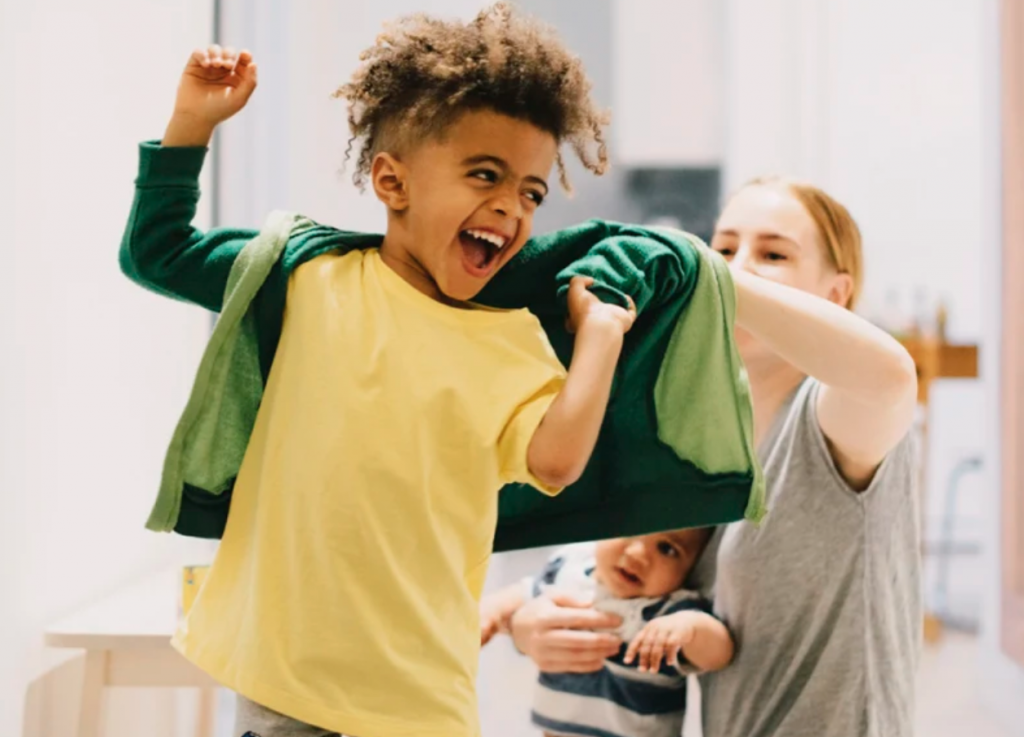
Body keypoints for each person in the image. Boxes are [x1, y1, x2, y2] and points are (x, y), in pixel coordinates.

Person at [120, 6, 635, 736]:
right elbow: (157, 251)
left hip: (418, 703)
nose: (510, 207)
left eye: (530, 192)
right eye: (484, 174)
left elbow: (555, 460)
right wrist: (191, 122)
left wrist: (603, 336)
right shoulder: (305, 277)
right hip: (285, 681)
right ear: (392, 182)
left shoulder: (511, 341)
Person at [508, 177, 921, 737]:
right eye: (724, 247)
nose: (738, 264)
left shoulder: (829, 416)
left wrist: (710, 274)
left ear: (834, 295)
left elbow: (891, 379)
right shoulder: (705, 429)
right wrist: (532, 624)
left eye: (772, 253)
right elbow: (630, 583)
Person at [480, 529, 732, 737]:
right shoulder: (572, 567)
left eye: (667, 549)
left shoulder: (668, 611)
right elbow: (523, 592)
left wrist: (689, 627)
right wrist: (488, 612)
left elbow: (720, 653)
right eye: (631, 528)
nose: (637, 554)